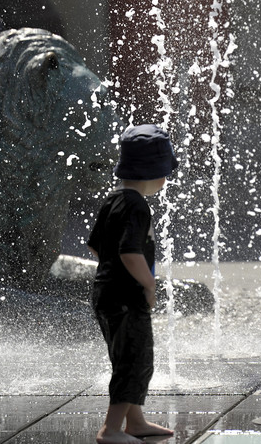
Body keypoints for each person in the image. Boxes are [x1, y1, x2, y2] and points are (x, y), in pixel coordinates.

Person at [88, 124, 179, 444]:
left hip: (106, 293)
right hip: (127, 297)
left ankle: (135, 421)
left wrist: (112, 273)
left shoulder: (114, 199)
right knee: (134, 361)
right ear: (154, 172)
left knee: (127, 357)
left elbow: (96, 245)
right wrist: (149, 285)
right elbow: (130, 252)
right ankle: (110, 430)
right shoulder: (137, 205)